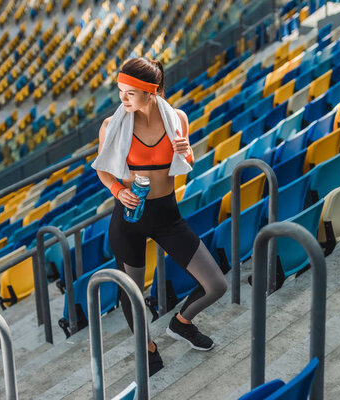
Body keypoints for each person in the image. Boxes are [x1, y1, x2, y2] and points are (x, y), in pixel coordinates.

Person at [94, 57, 228, 377]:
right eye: (120, 91)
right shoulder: (112, 125)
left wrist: (186, 149)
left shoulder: (177, 118)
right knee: (133, 294)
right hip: (129, 218)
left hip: (168, 214)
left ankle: (181, 324)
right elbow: (102, 169)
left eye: (129, 93)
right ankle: (147, 345)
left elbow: (186, 159)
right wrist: (116, 190)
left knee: (216, 284)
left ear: (150, 92)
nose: (122, 99)